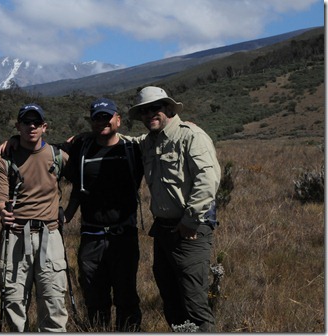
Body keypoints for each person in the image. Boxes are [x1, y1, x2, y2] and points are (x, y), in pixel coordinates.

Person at [126, 86, 221, 332]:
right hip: (164, 231)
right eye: (144, 111)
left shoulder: (191, 136)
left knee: (194, 303)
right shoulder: (148, 142)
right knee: (172, 302)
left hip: (189, 231)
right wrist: (94, 135)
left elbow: (207, 179)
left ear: (168, 108)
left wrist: (190, 220)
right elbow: (126, 142)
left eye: (154, 108)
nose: (149, 114)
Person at [62, 98, 143, 331]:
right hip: (91, 235)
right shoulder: (82, 148)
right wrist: (15, 141)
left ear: (118, 119)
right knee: (95, 297)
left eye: (107, 117)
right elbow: (76, 186)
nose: (102, 122)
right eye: (97, 118)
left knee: (126, 296)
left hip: (124, 235)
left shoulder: (132, 150)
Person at [0, 103, 69, 332]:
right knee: (14, 302)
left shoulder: (59, 156)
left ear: (44, 127)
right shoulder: (4, 158)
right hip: (16, 236)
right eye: (26, 122)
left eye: (36, 122)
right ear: (18, 126)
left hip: (50, 235)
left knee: (53, 301)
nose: (32, 126)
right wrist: (1, 209)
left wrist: (70, 211)